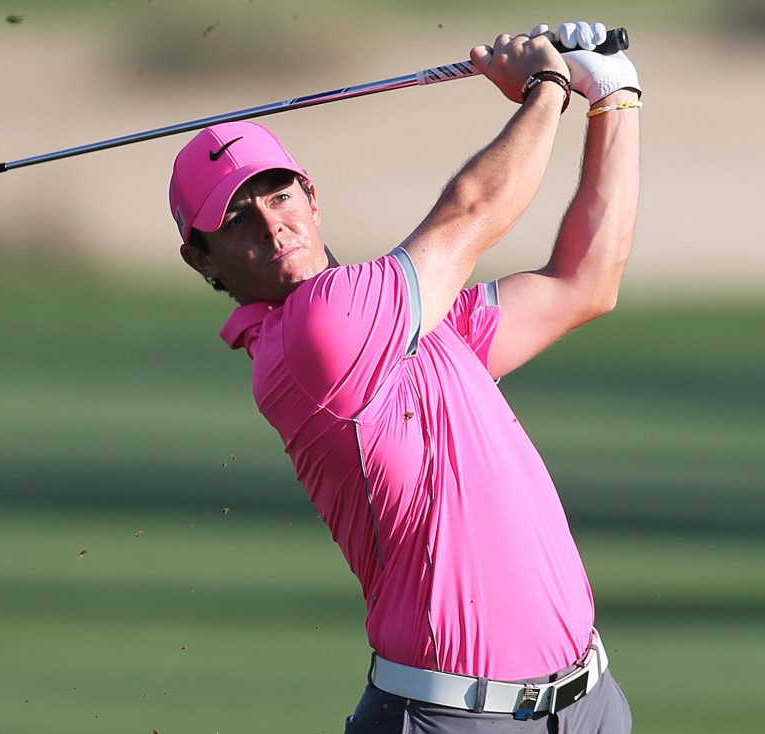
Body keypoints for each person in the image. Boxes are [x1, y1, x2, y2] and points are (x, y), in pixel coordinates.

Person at [169, 20, 641, 734]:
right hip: (450, 719)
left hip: (589, 707)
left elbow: (584, 282)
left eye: (278, 195)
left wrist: (614, 95)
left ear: (310, 196)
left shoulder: (417, 324)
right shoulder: (314, 332)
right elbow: (474, 214)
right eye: (236, 218)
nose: (272, 226)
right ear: (202, 262)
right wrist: (546, 88)